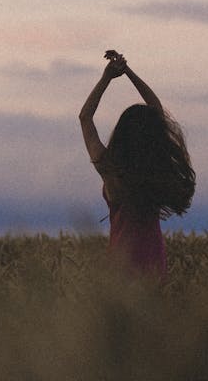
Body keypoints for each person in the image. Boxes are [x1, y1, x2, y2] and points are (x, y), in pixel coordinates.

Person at [79, 51, 195, 279]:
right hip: (154, 261)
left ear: (121, 134)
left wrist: (107, 77)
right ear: (153, 138)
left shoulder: (111, 172)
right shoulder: (155, 172)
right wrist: (128, 72)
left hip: (121, 264)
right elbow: (156, 110)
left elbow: (85, 118)